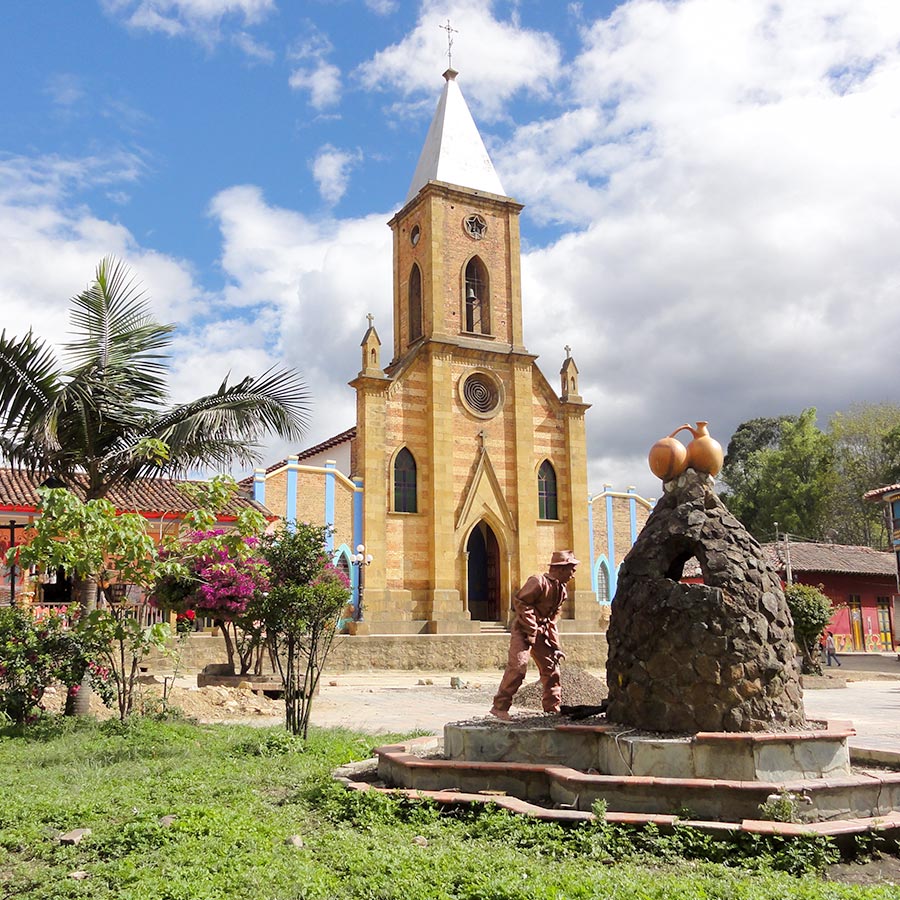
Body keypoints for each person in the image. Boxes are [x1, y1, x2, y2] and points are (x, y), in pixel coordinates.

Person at [490, 550, 578, 720]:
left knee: (551, 669)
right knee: (518, 667)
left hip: (542, 631)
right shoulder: (538, 582)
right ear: (561, 569)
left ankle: (552, 707)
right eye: (571, 570)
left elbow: (552, 620)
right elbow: (521, 602)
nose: (573, 575)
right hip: (524, 629)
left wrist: (555, 646)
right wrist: (531, 628)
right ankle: (500, 707)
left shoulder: (562, 591)